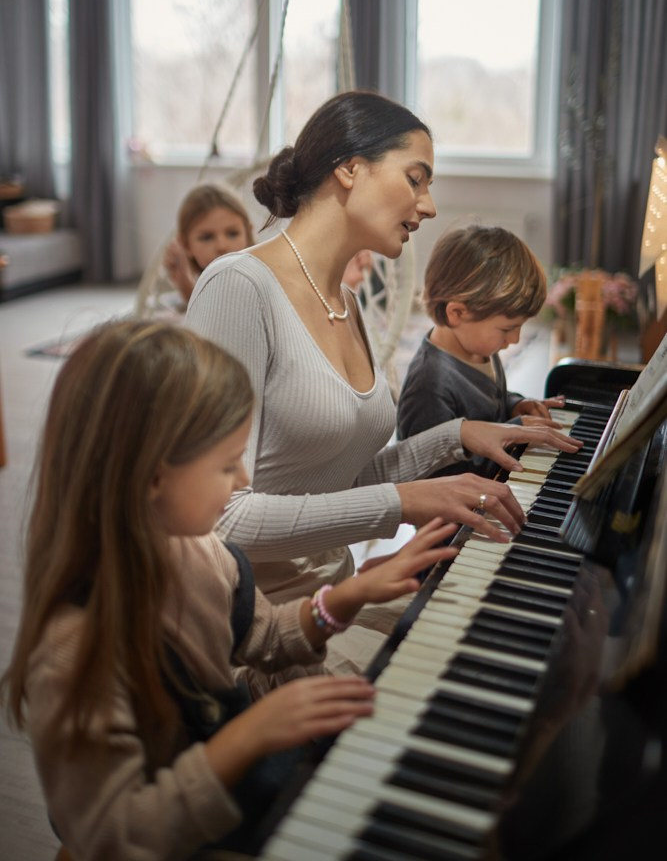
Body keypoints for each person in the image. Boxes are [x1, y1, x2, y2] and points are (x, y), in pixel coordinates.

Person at [1, 319, 458, 861]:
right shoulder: (73, 656)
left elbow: (260, 634)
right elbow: (114, 837)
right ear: (151, 477)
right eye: (225, 464)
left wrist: (350, 596)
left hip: (239, 787)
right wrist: (247, 738)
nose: (243, 479)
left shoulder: (202, 552)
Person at [186, 90, 582, 679]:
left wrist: (461, 435)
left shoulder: (347, 303)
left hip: (329, 595)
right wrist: (403, 503)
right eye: (416, 179)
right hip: (252, 628)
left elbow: (333, 483)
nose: (428, 206)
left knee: (528, 648)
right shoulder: (238, 288)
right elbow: (216, 521)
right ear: (350, 168)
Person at [397, 224, 566, 476]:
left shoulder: (480, 348)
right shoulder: (430, 385)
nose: (515, 339)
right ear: (457, 313)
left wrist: (515, 405)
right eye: (507, 328)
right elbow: (434, 477)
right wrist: (513, 431)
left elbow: (489, 403)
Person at [162, 182, 255, 309]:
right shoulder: (199, 287)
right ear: (186, 245)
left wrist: (188, 290)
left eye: (232, 234)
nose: (222, 246)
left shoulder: (258, 282)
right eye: (207, 237)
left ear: (248, 233)